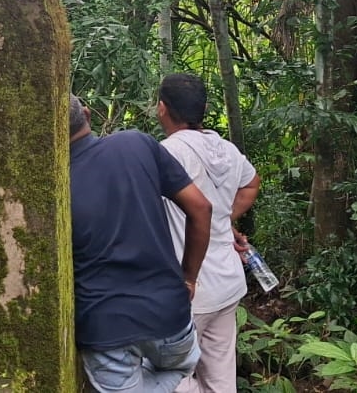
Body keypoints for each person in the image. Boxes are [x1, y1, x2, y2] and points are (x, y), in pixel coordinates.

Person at [69, 93, 214, 392]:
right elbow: (201, 207)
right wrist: (189, 278)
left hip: (105, 329)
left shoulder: (54, 184)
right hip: (170, 315)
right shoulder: (136, 144)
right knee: (184, 363)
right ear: (87, 113)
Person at [156, 73, 261, 393]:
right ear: (203, 109)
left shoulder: (166, 153)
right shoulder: (225, 147)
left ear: (162, 108)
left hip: (187, 289)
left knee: (171, 381)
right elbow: (251, 183)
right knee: (220, 379)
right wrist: (222, 220)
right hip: (227, 283)